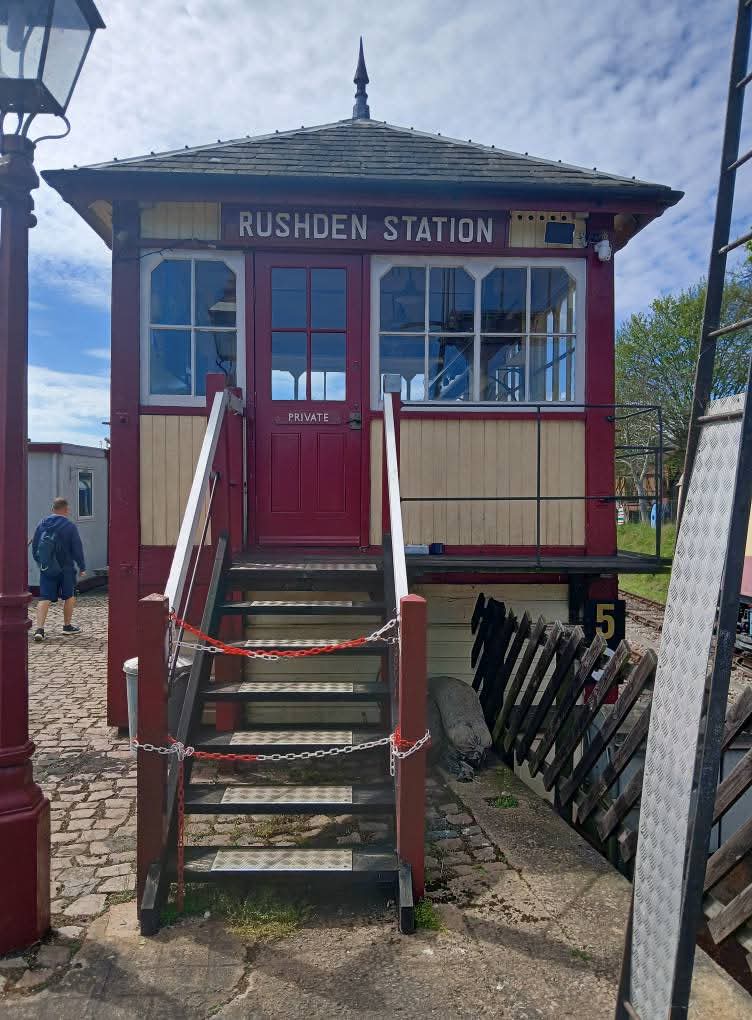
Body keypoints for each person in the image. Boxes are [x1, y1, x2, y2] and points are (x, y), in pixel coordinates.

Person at [31, 497, 87, 641]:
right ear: (66, 509)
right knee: (69, 596)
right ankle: (67, 626)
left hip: (47, 568)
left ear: (53, 509)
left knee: (44, 597)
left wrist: (41, 563)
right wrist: (82, 566)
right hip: (66, 568)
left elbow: (35, 546)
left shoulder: (42, 524)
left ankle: (39, 629)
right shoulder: (69, 526)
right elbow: (77, 548)